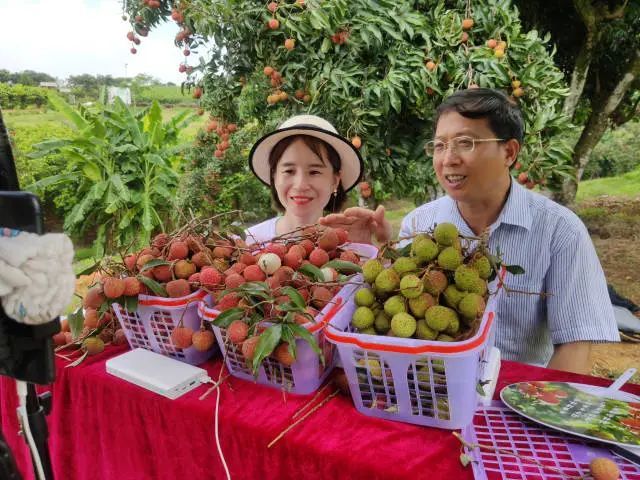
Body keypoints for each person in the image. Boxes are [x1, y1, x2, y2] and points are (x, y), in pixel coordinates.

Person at [320, 88, 619, 374]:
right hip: (430, 387)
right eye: (439, 145)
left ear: (509, 152)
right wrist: (375, 253)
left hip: (515, 396)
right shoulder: (419, 225)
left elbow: (575, 345)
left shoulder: (561, 232)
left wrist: (539, 407)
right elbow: (389, 315)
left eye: (466, 143)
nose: (448, 158)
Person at [246, 114, 380, 243]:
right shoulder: (245, 243)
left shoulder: (355, 247)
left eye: (314, 172)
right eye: (289, 171)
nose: (300, 185)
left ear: (334, 181)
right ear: (274, 177)